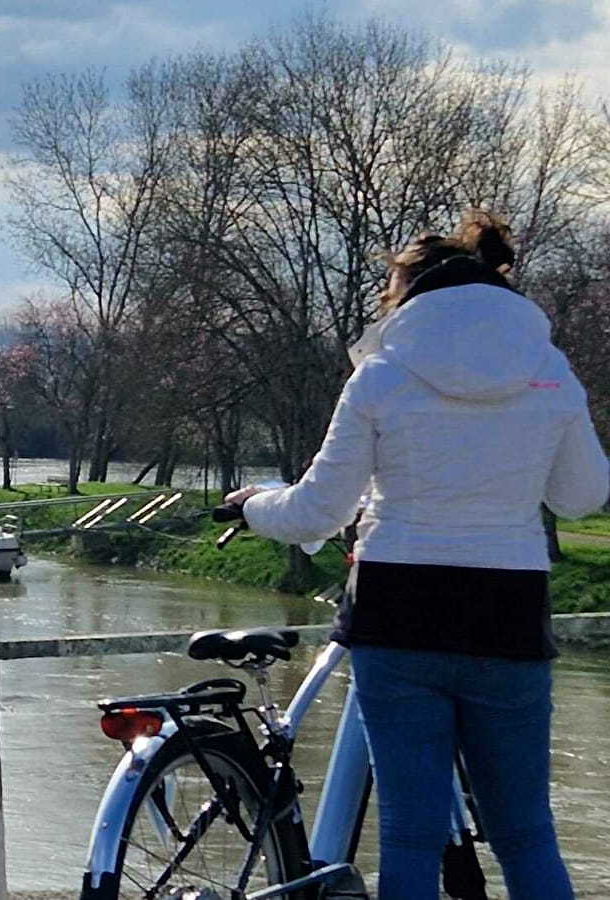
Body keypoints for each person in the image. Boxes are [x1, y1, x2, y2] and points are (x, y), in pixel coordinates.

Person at [227, 210, 609, 899]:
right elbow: (582, 495)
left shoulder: (381, 377)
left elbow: (319, 510)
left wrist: (255, 505)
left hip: (397, 615)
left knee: (408, 831)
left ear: (406, 296)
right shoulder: (547, 371)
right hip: (508, 617)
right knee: (526, 833)